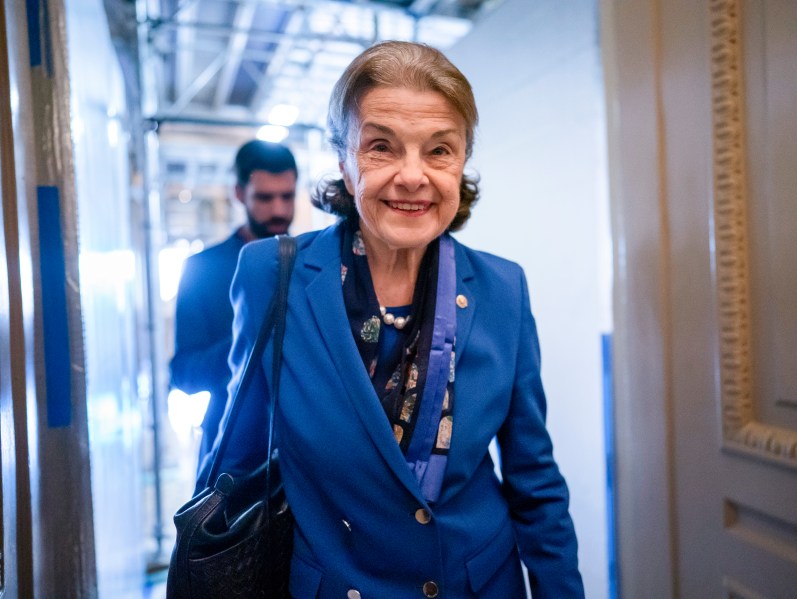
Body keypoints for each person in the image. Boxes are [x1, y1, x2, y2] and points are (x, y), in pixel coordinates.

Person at [201, 41, 584, 598]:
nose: (412, 176)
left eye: (439, 150)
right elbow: (234, 464)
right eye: (381, 146)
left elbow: (536, 484)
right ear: (344, 162)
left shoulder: (503, 290)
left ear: (462, 164)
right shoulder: (273, 276)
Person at [170, 139, 297, 465]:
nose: (279, 210)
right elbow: (184, 375)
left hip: (303, 451)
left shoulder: (311, 264)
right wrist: (254, 339)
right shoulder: (203, 268)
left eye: (287, 196)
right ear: (239, 194)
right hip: (232, 453)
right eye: (265, 198)